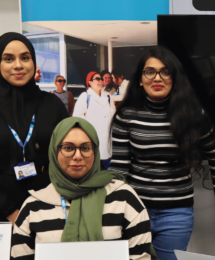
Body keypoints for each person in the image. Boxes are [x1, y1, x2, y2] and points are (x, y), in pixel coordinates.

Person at [110, 46, 215, 260]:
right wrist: (112, 206)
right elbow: (119, 168)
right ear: (140, 79)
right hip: (135, 209)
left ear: (174, 78)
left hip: (176, 214)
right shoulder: (126, 116)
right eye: (150, 72)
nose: (157, 78)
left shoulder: (193, 116)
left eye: (165, 72)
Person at [10, 117, 152, 260]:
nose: (77, 156)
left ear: (95, 151)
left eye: (85, 148)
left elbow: (141, 256)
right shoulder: (33, 206)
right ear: (54, 151)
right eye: (68, 148)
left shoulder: (123, 197)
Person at [0, 32, 69, 226]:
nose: (18, 65)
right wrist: (9, 211)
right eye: (8, 59)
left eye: (25, 57)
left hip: (49, 202)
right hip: (3, 211)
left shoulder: (52, 104)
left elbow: (69, 154)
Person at [73, 72, 115, 169]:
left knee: (107, 170)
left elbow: (113, 115)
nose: (100, 81)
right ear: (90, 82)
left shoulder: (108, 96)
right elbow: (77, 118)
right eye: (97, 79)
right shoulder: (85, 96)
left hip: (107, 140)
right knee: (93, 168)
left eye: (101, 79)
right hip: (92, 139)